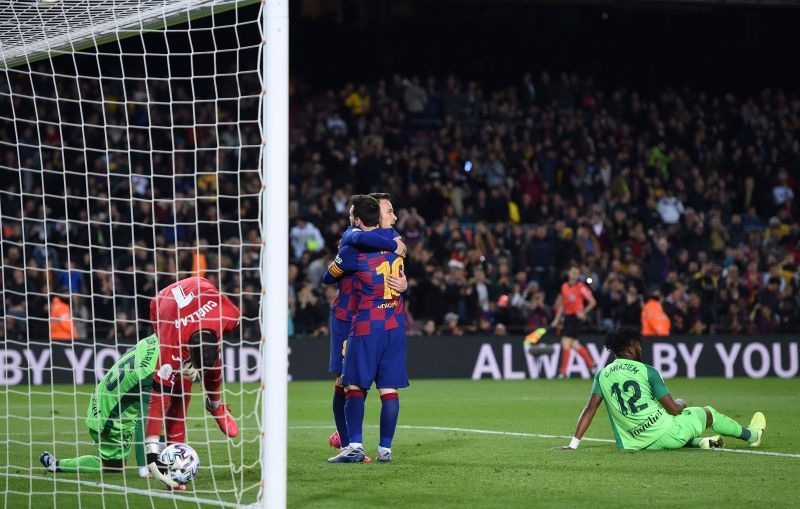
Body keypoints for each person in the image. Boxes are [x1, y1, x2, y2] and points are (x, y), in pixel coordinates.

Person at [554, 326, 766, 451]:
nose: (640, 347)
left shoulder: (602, 374)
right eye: (638, 344)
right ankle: (752, 436)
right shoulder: (648, 371)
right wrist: (681, 403)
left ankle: (702, 442)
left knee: (671, 425)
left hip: (633, 443)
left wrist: (573, 444)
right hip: (665, 434)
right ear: (630, 348)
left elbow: (590, 409)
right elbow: (673, 410)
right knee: (708, 413)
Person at [39, 334, 195, 482]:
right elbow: (145, 421)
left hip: (104, 398)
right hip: (109, 418)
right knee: (114, 468)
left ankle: (56, 464)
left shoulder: (156, 338)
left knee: (162, 424)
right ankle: (57, 464)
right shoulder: (151, 373)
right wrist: (145, 468)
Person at [324, 196, 408, 463]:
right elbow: (359, 238)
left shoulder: (362, 243)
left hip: (364, 318)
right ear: (377, 214)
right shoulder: (389, 242)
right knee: (343, 381)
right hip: (349, 316)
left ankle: (352, 444)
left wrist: (405, 285)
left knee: (351, 384)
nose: (393, 216)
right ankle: (347, 440)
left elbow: (330, 274)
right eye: (389, 210)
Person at [144, 276, 241, 488]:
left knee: (214, 367)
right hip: (161, 303)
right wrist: (151, 456)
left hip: (200, 286)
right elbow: (157, 400)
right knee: (177, 388)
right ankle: (172, 458)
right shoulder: (172, 345)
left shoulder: (229, 315)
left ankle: (214, 405)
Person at [550, 266, 597, 378]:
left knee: (565, 341)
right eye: (573, 272)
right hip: (567, 318)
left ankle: (564, 371)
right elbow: (562, 305)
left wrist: (583, 312)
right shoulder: (564, 287)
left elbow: (592, 302)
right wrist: (556, 320)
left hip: (576, 318)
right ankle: (592, 365)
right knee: (574, 344)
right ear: (569, 274)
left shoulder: (581, 287)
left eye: (576, 273)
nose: (574, 274)